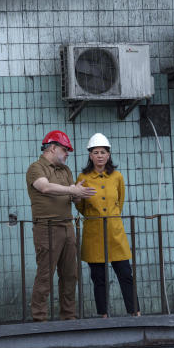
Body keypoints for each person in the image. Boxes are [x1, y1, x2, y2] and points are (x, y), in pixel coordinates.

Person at [25, 130, 96, 321]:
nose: (67, 154)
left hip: (67, 226)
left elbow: (71, 194)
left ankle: (68, 316)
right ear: (53, 148)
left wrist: (78, 194)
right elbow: (44, 187)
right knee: (45, 275)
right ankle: (39, 319)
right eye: (65, 150)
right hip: (46, 228)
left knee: (70, 275)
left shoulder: (65, 171)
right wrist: (72, 189)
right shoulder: (36, 167)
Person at [75, 132, 139, 317]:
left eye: (103, 152)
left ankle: (135, 312)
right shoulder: (83, 177)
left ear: (109, 155)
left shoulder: (117, 177)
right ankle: (103, 315)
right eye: (96, 152)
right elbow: (81, 206)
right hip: (94, 233)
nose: (100, 155)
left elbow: (120, 202)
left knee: (125, 274)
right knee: (99, 278)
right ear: (90, 155)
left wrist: (111, 217)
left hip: (114, 232)